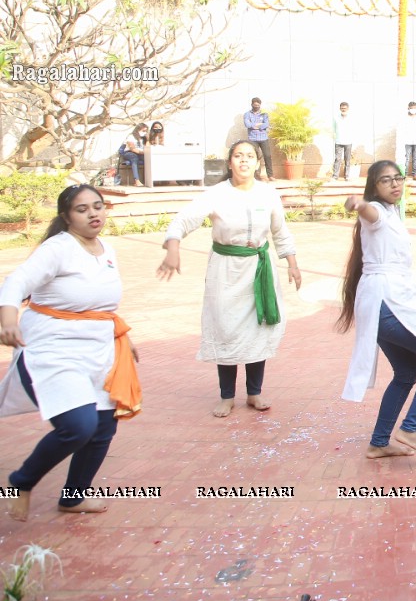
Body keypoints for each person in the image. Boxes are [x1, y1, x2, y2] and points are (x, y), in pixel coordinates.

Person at [0, 184, 141, 522]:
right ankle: (21, 481)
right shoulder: (58, 248)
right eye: (82, 209)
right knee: (78, 426)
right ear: (66, 216)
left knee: (104, 426)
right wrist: (8, 318)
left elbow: (101, 305)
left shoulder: (106, 249)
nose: (94, 214)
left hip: (99, 349)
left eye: (98, 206)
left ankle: (74, 495)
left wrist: (123, 338)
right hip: (54, 347)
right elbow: (16, 281)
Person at [157, 140, 302, 417]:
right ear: (230, 162)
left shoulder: (268, 193)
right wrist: (173, 247)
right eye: (238, 156)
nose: (244, 161)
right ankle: (226, 396)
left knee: (258, 327)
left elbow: (280, 232)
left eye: (249, 156)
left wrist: (292, 264)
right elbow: (183, 220)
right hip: (225, 271)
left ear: (258, 163)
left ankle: (254, 393)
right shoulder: (216, 194)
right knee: (226, 328)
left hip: (259, 269)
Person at [338, 161, 416, 458]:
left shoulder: (393, 212)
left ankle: (378, 443)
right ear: (374, 186)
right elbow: (367, 212)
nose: (395, 184)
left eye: (398, 178)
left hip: (382, 302)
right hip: (387, 303)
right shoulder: (377, 212)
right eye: (386, 181)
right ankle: (410, 427)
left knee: (407, 371)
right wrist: (357, 203)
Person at [243, 97, 274, 182]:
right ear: (251, 104)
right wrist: (260, 125)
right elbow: (248, 125)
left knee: (267, 156)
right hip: (253, 139)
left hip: (264, 138)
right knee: (255, 157)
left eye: (258, 105)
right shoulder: (247, 114)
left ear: (260, 105)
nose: (256, 106)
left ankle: (270, 175)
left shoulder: (264, 114)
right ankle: (257, 176)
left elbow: (266, 124)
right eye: (255, 105)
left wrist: (256, 126)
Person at [400, 101, 416, 180]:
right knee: (406, 158)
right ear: (408, 108)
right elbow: (402, 129)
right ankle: (404, 175)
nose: (413, 110)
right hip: (407, 141)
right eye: (411, 108)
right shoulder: (404, 118)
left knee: (415, 158)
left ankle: (415, 174)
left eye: (414, 108)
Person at [331, 102, 354, 181]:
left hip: (348, 141)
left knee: (347, 160)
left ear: (348, 109)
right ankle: (335, 176)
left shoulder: (351, 118)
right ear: (340, 109)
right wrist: (334, 138)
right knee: (337, 159)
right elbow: (333, 129)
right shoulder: (335, 118)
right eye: (342, 108)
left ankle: (347, 176)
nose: (343, 110)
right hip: (338, 142)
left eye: (345, 108)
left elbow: (354, 130)